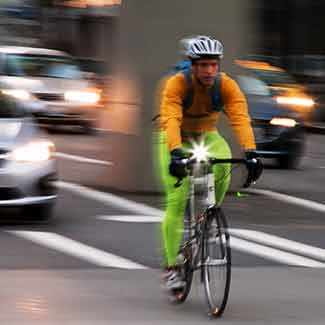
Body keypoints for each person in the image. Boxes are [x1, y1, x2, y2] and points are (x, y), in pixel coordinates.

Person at [156, 35, 262, 290]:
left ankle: (208, 215)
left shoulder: (226, 86)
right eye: (203, 65)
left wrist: (251, 153)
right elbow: (170, 118)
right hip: (176, 139)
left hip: (207, 135)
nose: (209, 70)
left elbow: (240, 118)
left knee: (223, 161)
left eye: (213, 64)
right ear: (192, 65)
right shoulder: (176, 84)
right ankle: (172, 267)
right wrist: (174, 153)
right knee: (177, 198)